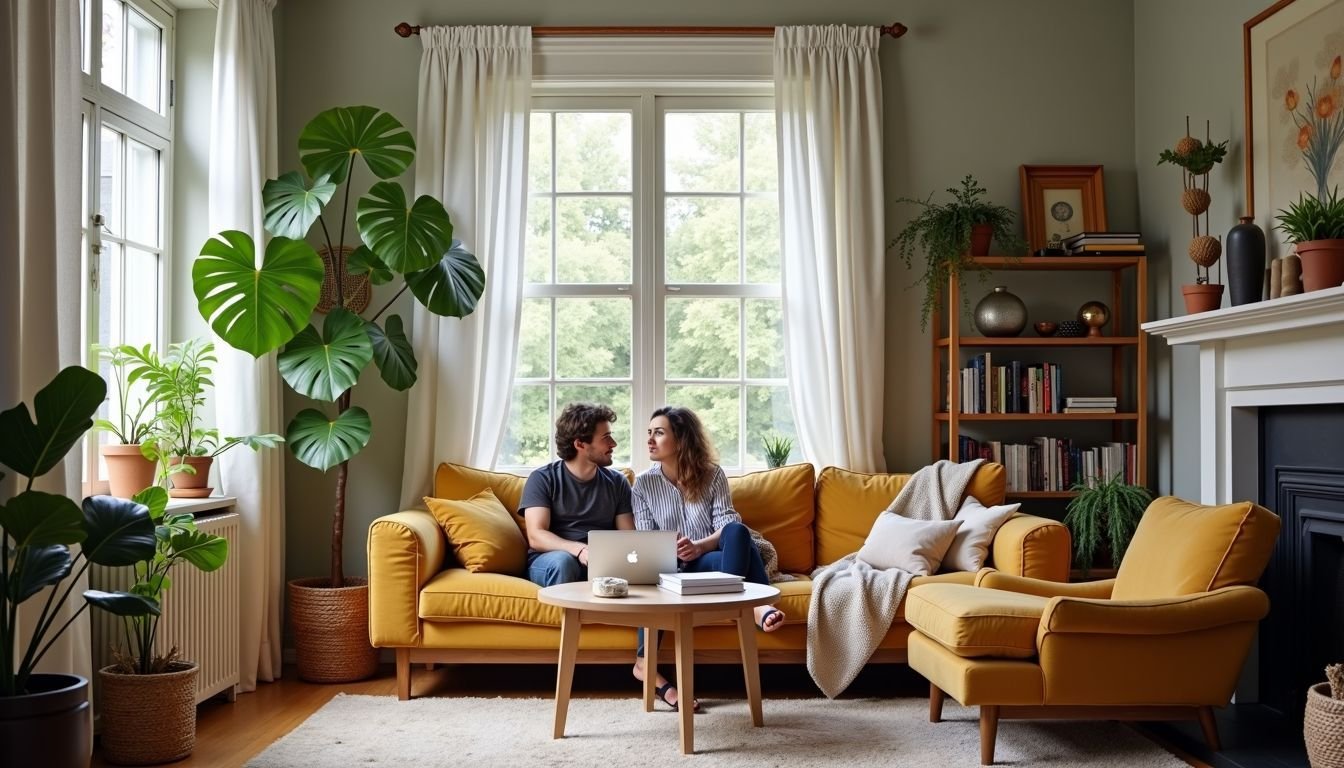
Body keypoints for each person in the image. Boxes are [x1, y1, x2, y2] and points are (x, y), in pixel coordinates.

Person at [631, 405, 787, 712]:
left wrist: (699, 547)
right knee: (650, 575)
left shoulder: (713, 475)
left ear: (682, 439)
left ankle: (744, 605)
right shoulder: (642, 485)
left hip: (710, 563)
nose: (650, 440)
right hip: (670, 569)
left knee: (738, 532)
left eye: (659, 433)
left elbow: (725, 526)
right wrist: (670, 548)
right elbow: (645, 538)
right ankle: (644, 663)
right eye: (649, 433)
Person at [519, 403, 634, 587]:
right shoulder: (542, 478)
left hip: (600, 560)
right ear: (580, 443)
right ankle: (566, 617)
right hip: (552, 560)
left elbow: (628, 537)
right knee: (564, 562)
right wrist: (579, 549)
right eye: (606, 437)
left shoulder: (618, 482)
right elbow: (536, 535)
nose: (613, 444)